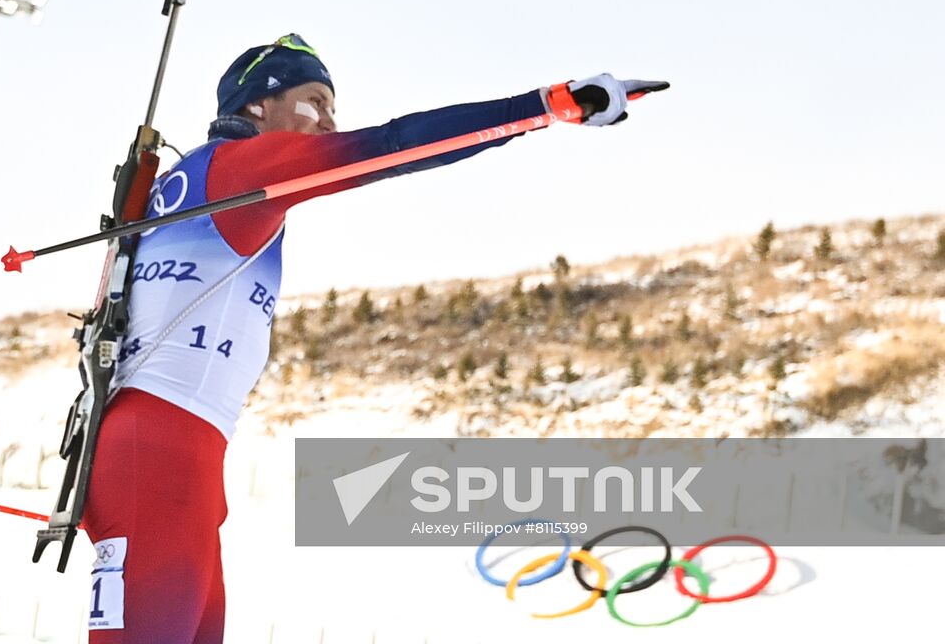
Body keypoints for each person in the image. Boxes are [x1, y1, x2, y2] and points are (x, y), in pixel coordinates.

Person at [80, 33, 668, 642]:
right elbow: (390, 147)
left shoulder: (196, 183)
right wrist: (547, 106)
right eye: (314, 102)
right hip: (159, 457)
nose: (329, 122)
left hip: (176, 455)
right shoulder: (238, 171)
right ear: (259, 104)